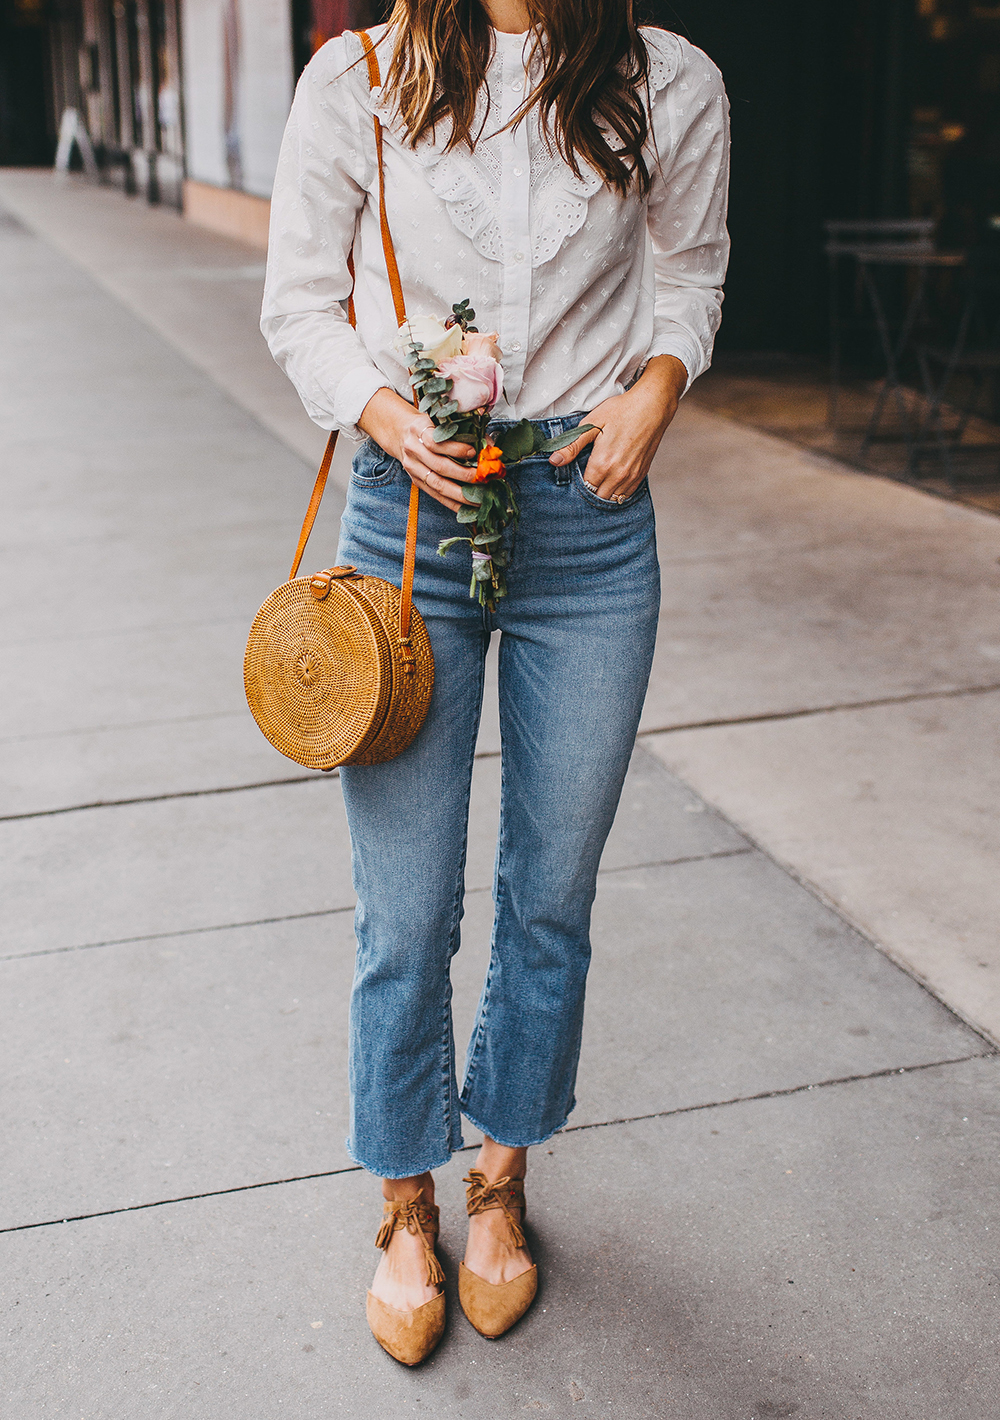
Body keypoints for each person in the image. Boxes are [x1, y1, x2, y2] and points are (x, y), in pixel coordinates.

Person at [262, 0, 729, 1365]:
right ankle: (405, 1201)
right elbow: (299, 297)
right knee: (403, 912)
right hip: (410, 514)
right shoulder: (359, 77)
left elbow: (689, 275)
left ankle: (502, 1178)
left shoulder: (668, 80)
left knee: (553, 896)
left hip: (591, 516)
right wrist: (383, 406)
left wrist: (656, 391)